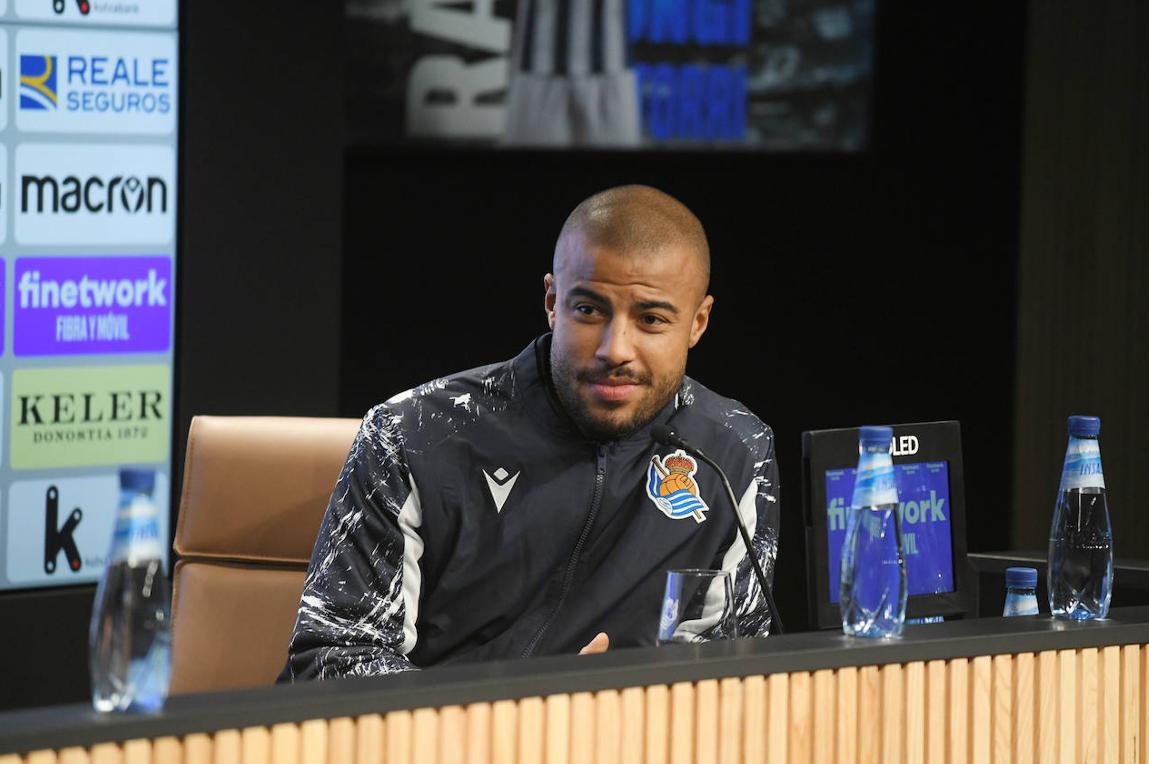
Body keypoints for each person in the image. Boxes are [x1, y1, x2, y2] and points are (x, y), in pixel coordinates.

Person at [283, 185, 778, 680]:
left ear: (697, 322)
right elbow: (332, 659)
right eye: (589, 310)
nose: (615, 350)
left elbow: (732, 675)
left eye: (651, 319)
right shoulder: (414, 434)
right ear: (552, 301)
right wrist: (518, 713)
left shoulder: (735, 452)